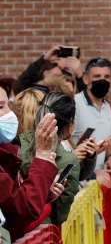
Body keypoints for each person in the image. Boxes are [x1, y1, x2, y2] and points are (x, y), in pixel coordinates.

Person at [0, 79, 59, 242]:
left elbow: (14, 217)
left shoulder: (7, 151)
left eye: (7, 105)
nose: (9, 112)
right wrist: (42, 154)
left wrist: (45, 192)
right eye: (0, 107)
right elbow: (24, 207)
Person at [18, 92, 83, 225]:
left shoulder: (17, 143)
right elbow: (60, 215)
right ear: (70, 123)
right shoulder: (68, 160)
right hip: (41, 232)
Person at [72, 57, 111, 189]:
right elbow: (63, 144)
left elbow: (107, 138)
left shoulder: (108, 108)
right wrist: (91, 174)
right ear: (86, 79)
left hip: (99, 184)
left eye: (106, 76)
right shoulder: (74, 104)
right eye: (97, 76)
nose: (102, 80)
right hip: (79, 185)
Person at [18, 44, 85, 92]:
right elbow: (22, 84)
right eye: (51, 80)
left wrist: (80, 77)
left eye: (58, 78)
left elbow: (85, 97)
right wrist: (43, 60)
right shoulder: (38, 99)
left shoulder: (71, 97)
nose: (55, 84)